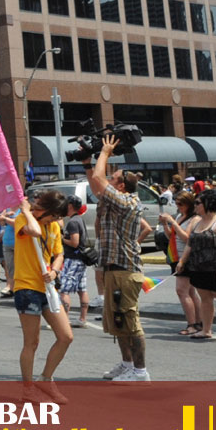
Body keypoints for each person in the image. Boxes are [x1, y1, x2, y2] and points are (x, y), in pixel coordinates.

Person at [85, 134, 150, 381]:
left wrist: (105, 152)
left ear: (121, 186)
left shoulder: (127, 202)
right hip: (114, 268)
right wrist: (86, 164)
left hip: (125, 269)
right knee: (118, 322)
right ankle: (127, 365)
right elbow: (96, 183)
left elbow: (100, 180)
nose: (109, 182)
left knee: (131, 323)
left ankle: (141, 371)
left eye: (114, 179)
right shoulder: (116, 200)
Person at [13, 191, 73, 400]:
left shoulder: (54, 226)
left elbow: (59, 254)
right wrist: (26, 211)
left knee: (66, 336)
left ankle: (45, 380)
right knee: (32, 342)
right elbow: (34, 231)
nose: (56, 221)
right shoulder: (23, 219)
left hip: (48, 289)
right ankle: (28, 389)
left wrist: (55, 271)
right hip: (26, 287)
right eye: (54, 216)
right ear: (45, 210)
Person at [175, 190, 216, 341]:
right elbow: (190, 245)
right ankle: (206, 330)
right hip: (198, 268)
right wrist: (182, 262)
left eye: (198, 203)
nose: (195, 206)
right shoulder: (198, 222)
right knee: (205, 298)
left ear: (208, 204)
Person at [160, 192, 201, 335]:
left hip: (186, 257)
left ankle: (192, 324)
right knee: (189, 291)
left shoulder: (194, 219)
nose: (178, 207)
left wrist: (173, 222)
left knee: (181, 291)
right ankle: (197, 322)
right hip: (176, 256)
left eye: (181, 204)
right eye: (176, 203)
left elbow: (186, 238)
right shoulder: (179, 216)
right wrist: (166, 224)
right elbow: (171, 236)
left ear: (189, 204)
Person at [58, 197, 90, 328]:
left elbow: (74, 242)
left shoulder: (73, 222)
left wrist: (62, 239)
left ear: (70, 206)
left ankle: (64, 320)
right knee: (82, 289)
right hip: (80, 260)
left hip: (73, 260)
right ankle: (82, 319)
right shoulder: (79, 219)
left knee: (64, 290)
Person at [0, 206, 19, 296]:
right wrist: (5, 216)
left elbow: (18, 223)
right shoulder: (8, 209)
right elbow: (1, 222)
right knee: (10, 267)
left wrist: (5, 218)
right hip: (7, 241)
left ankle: (18, 288)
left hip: (18, 242)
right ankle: (11, 288)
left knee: (19, 266)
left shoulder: (23, 209)